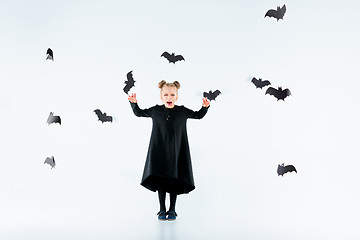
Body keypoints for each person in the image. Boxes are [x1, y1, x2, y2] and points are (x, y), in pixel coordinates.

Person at [128, 80, 210, 220]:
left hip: (176, 151)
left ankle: (172, 210)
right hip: (159, 151)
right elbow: (139, 113)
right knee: (161, 181)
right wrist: (134, 103)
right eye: (166, 95)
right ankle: (161, 210)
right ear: (161, 97)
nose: (169, 97)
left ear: (177, 97)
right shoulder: (155, 111)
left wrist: (205, 107)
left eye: (172, 95)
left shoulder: (182, 111)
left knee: (173, 181)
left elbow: (198, 115)